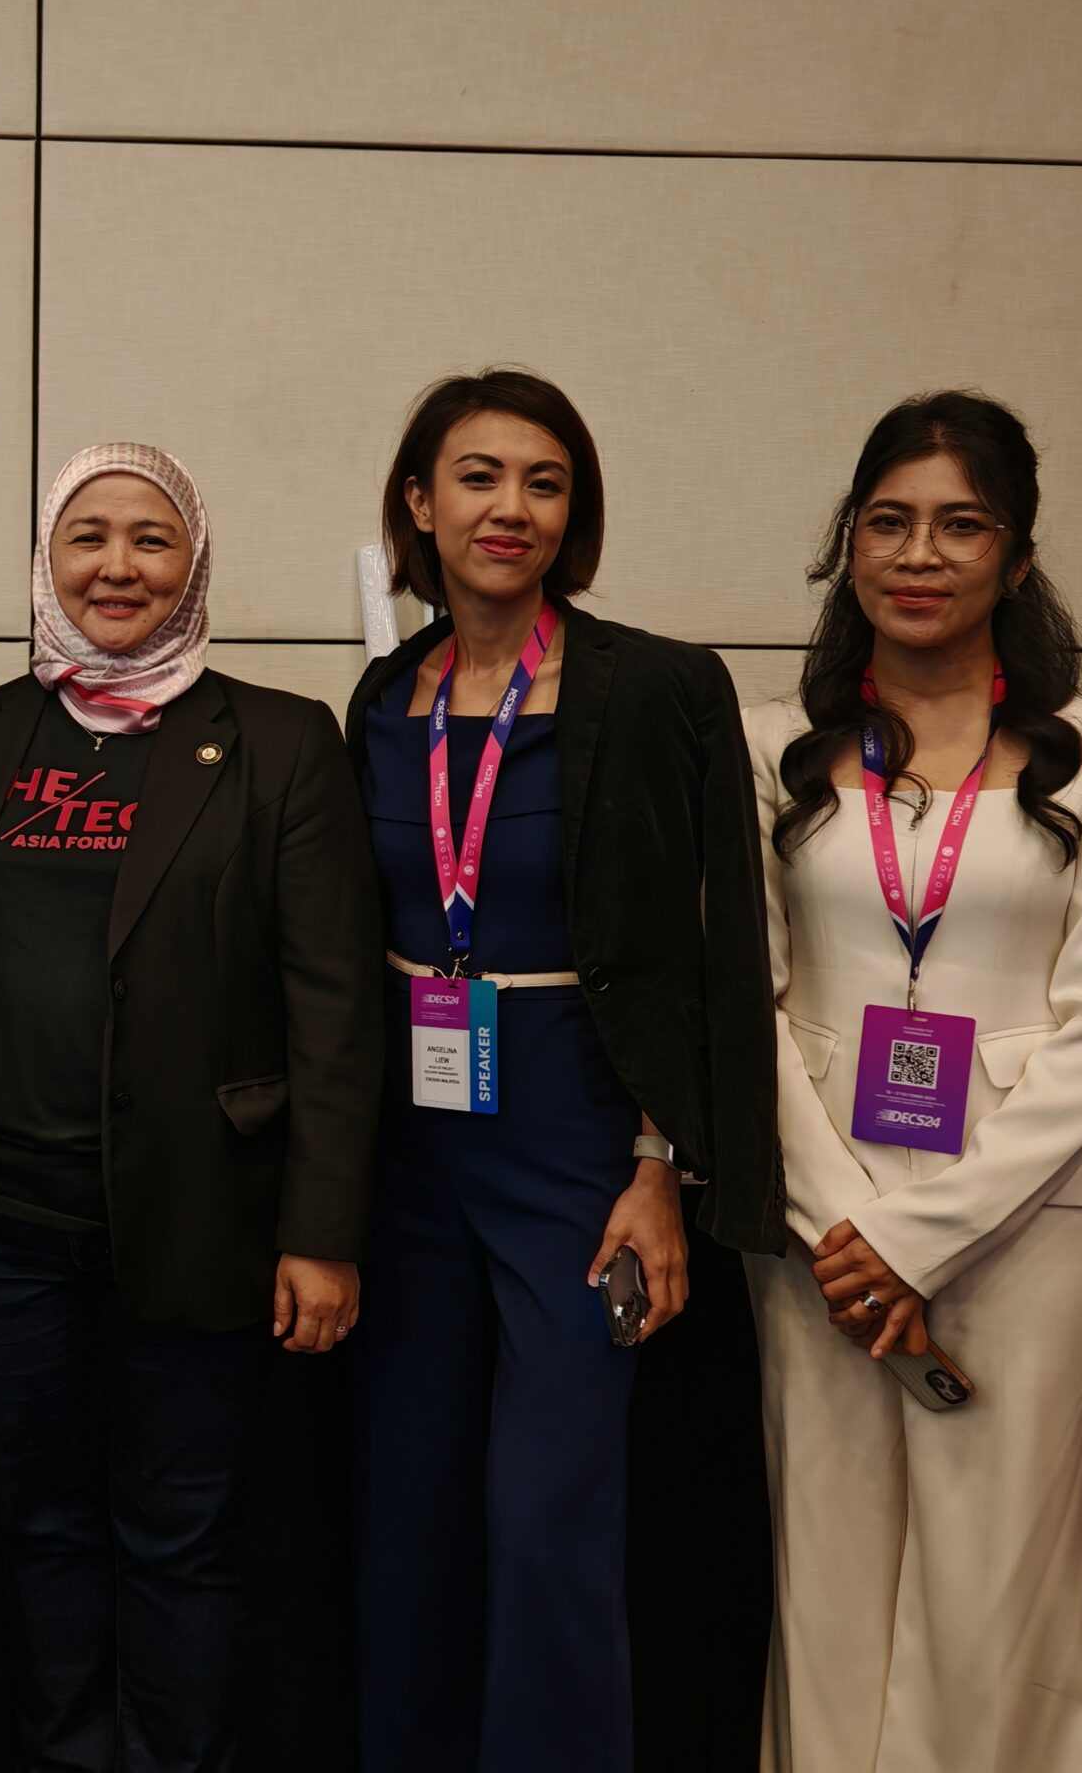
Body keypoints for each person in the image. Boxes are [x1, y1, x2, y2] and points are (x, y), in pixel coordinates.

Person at [0, 441, 382, 1773]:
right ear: (46, 562)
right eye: (88, 538)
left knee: (181, 1544)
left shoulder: (278, 740)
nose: (118, 567)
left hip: (204, 1224)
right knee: (40, 1536)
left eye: (152, 539)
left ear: (196, 563)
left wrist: (323, 1231)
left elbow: (337, 1008)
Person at [343, 369, 782, 1771]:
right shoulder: (383, 696)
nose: (511, 508)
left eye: (545, 482)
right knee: (408, 1522)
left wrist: (662, 1164)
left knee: (549, 1522)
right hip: (411, 1152)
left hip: (581, 1148)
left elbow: (706, 949)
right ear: (419, 504)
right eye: (478, 476)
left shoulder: (654, 687)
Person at [745, 390, 1082, 1772]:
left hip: (1030, 1231)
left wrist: (923, 1238)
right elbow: (743, 1006)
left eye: (960, 524)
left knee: (998, 1608)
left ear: (1018, 556)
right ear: (849, 545)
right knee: (826, 1594)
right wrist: (846, 1229)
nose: (919, 554)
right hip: (818, 1235)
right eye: (889, 521)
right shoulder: (767, 746)